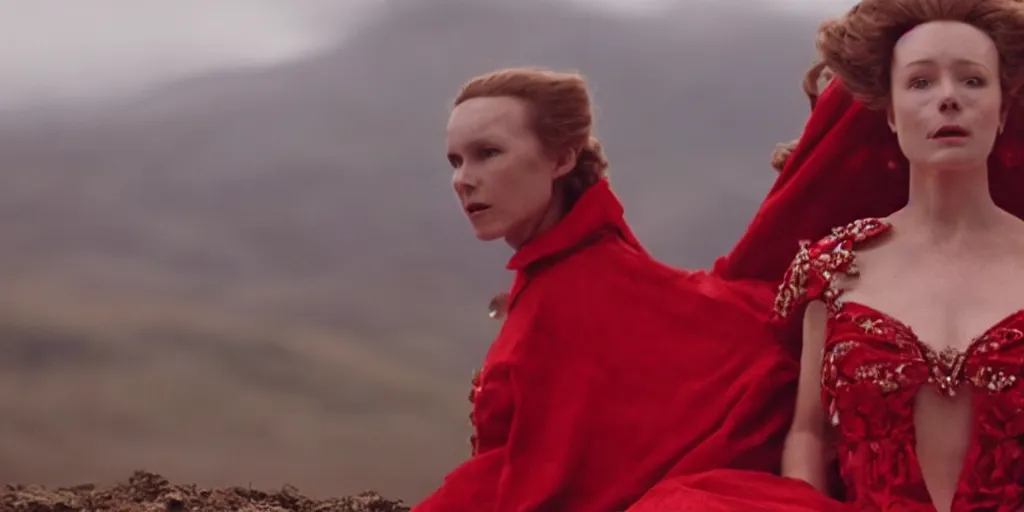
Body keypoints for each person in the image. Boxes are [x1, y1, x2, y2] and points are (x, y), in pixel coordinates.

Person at [630, 0, 1024, 510]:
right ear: (890, 112)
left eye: (972, 80)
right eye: (921, 82)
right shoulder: (835, 269)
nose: (948, 98)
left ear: (1003, 111)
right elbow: (808, 433)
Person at [412, 68, 799, 511]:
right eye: (455, 161)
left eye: (488, 153)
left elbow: (561, 488)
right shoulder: (569, 273)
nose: (463, 179)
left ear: (561, 159)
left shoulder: (581, 291)